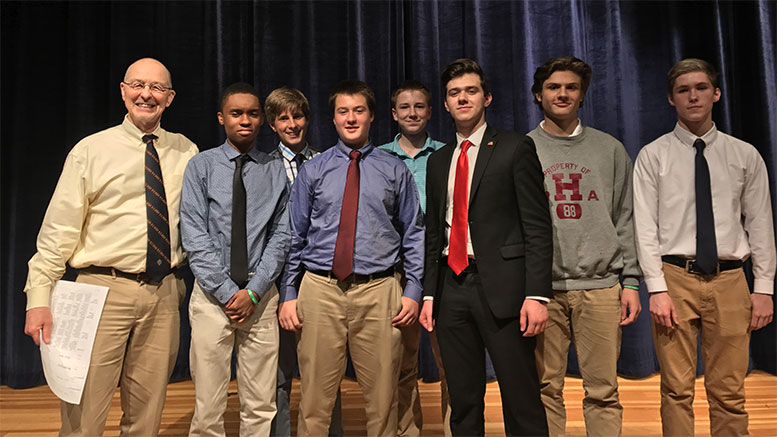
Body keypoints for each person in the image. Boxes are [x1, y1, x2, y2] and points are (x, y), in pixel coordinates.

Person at [22, 58, 198, 436]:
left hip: (162, 293)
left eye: (156, 88)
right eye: (137, 85)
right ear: (123, 91)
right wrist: (38, 297)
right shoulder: (91, 150)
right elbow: (57, 232)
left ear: (170, 98)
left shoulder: (187, 152)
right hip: (99, 291)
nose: (146, 95)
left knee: (147, 415)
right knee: (83, 413)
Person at [633, 58, 775, 436]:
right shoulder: (653, 155)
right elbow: (644, 227)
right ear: (670, 99)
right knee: (676, 388)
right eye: (683, 90)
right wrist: (656, 288)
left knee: (728, 389)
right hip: (675, 277)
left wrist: (763, 288)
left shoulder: (744, 155)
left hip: (730, 281)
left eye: (700, 88)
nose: (692, 96)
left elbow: (760, 224)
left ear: (716, 93)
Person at [279, 80, 424, 436]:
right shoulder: (314, 171)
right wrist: (289, 293)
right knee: (314, 399)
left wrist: (414, 288)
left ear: (372, 116)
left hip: (379, 292)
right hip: (320, 290)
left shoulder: (394, 169)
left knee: (383, 400)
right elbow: (294, 236)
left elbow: (414, 233)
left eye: (358, 110)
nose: (351, 118)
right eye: (343, 111)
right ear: (333, 119)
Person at [419, 58, 552, 436]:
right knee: (463, 400)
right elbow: (434, 233)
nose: (462, 98)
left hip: (505, 290)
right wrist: (429, 294)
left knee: (521, 396)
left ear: (487, 97)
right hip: (451, 288)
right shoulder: (439, 160)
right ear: (445, 104)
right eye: (454, 93)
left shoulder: (514, 147)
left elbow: (538, 227)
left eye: (471, 91)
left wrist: (537, 295)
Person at [527, 56, 642, 436]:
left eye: (571, 87)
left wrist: (630, 282)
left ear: (582, 96)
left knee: (604, 391)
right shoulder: (522, 150)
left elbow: (625, 218)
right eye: (553, 87)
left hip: (601, 288)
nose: (562, 94)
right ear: (538, 95)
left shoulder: (609, 149)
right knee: (546, 389)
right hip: (545, 291)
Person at [181, 82, 290, 436]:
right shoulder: (201, 166)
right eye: (236, 113)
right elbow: (195, 236)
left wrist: (254, 292)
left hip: (260, 298)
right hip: (213, 299)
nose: (245, 119)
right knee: (208, 405)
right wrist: (229, 292)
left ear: (263, 120)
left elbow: (282, 236)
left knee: (261, 404)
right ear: (221, 118)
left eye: (253, 113)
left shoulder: (275, 170)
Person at [264, 87, 343, 437]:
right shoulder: (261, 167)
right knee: (278, 374)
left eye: (298, 116)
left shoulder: (328, 161)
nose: (292, 124)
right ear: (272, 124)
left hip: (317, 278)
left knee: (325, 373)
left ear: (308, 119)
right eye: (284, 118)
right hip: (273, 280)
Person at [378, 79, 447, 437]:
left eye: (419, 106)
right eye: (404, 107)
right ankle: (408, 431)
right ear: (393, 114)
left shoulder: (447, 154)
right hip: (399, 272)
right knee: (401, 364)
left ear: (430, 111)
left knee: (451, 362)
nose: (412, 113)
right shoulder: (379, 158)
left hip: (444, 270)